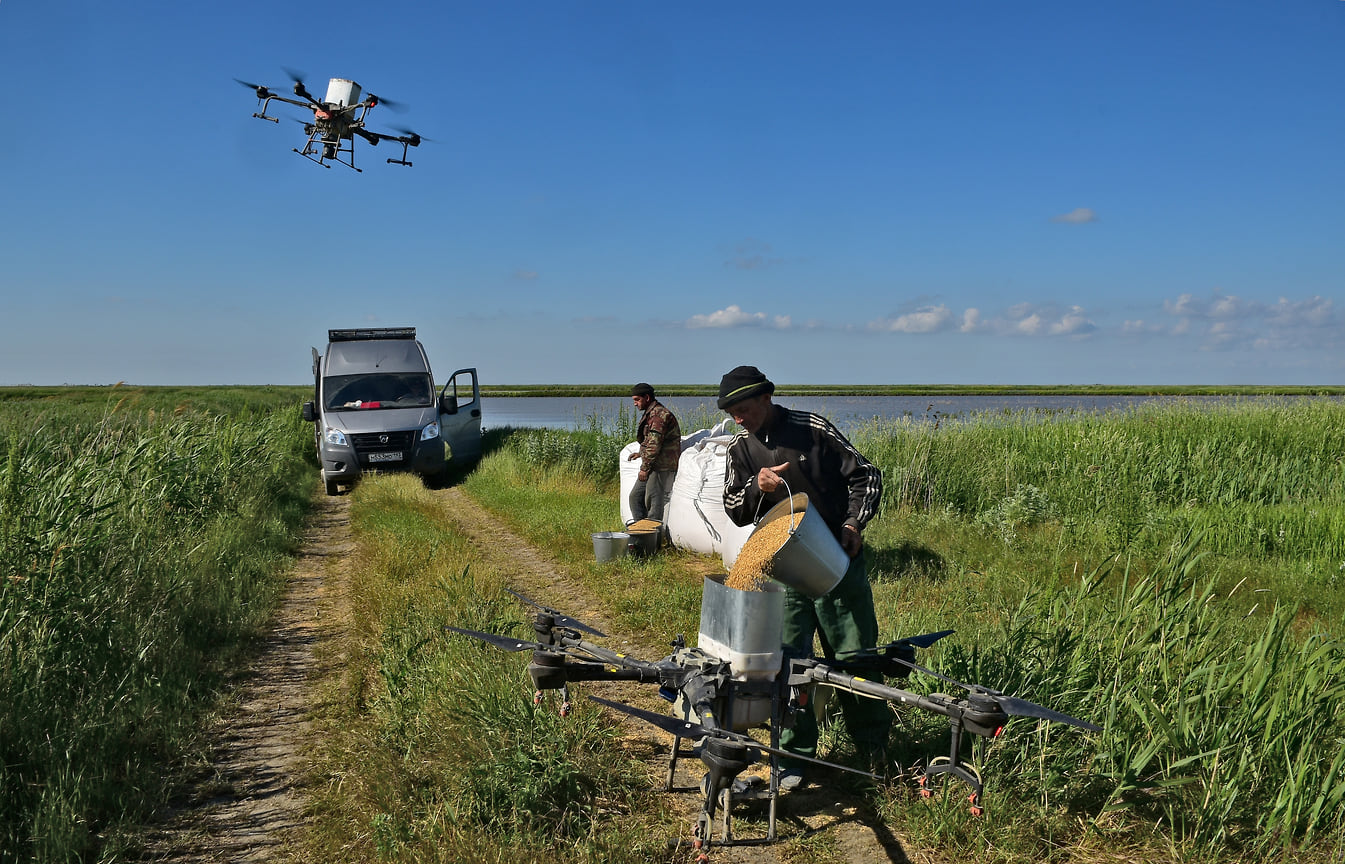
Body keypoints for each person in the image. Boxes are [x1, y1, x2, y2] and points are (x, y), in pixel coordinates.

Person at [717, 365, 888, 790]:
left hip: (836, 564)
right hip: (783, 570)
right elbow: (733, 507)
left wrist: (852, 525)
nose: (739, 418)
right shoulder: (740, 448)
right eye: (731, 411)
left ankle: (873, 755)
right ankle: (792, 758)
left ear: (766, 398)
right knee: (789, 666)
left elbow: (866, 476)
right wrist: (757, 488)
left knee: (856, 659)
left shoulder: (811, 429)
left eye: (744, 409)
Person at [626, 383, 681, 525]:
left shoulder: (659, 415)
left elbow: (655, 444)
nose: (635, 404)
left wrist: (644, 468)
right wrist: (640, 453)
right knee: (635, 497)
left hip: (660, 464)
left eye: (637, 399)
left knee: (653, 501)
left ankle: (652, 539)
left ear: (647, 397)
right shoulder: (651, 413)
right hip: (654, 462)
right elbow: (650, 439)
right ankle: (640, 531)